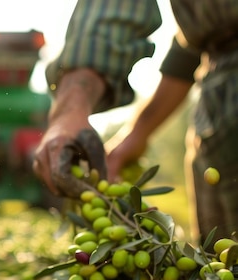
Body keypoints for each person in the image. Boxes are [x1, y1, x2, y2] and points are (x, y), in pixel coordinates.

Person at [32, 0, 238, 246]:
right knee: (223, 264)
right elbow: (190, 50)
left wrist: (70, 108)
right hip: (217, 119)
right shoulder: (214, 31)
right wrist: (137, 134)